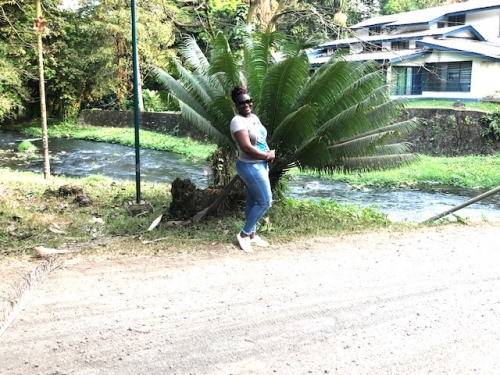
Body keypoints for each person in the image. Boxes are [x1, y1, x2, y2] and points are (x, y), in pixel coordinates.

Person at [230, 85, 276, 253]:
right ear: (236, 104)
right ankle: (243, 234)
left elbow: (261, 138)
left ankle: (252, 235)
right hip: (250, 166)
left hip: (261, 164)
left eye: (249, 101)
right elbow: (247, 148)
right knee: (265, 201)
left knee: (253, 200)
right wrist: (267, 156)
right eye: (242, 103)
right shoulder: (237, 121)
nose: (247, 105)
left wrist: (268, 153)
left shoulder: (253, 117)